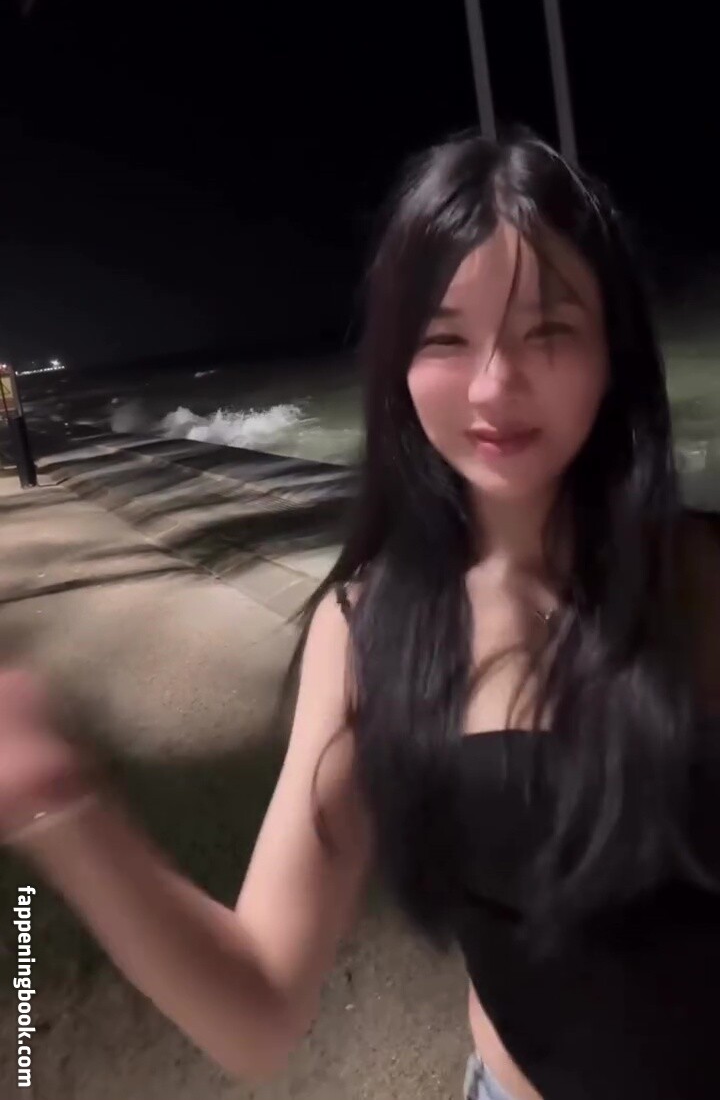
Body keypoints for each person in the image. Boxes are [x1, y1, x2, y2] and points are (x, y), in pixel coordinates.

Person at [2, 129, 720, 1100]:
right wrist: (66, 814)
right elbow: (260, 1006)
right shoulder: (373, 634)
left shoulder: (703, 573)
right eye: (446, 337)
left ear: (613, 345)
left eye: (548, 329)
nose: (495, 384)